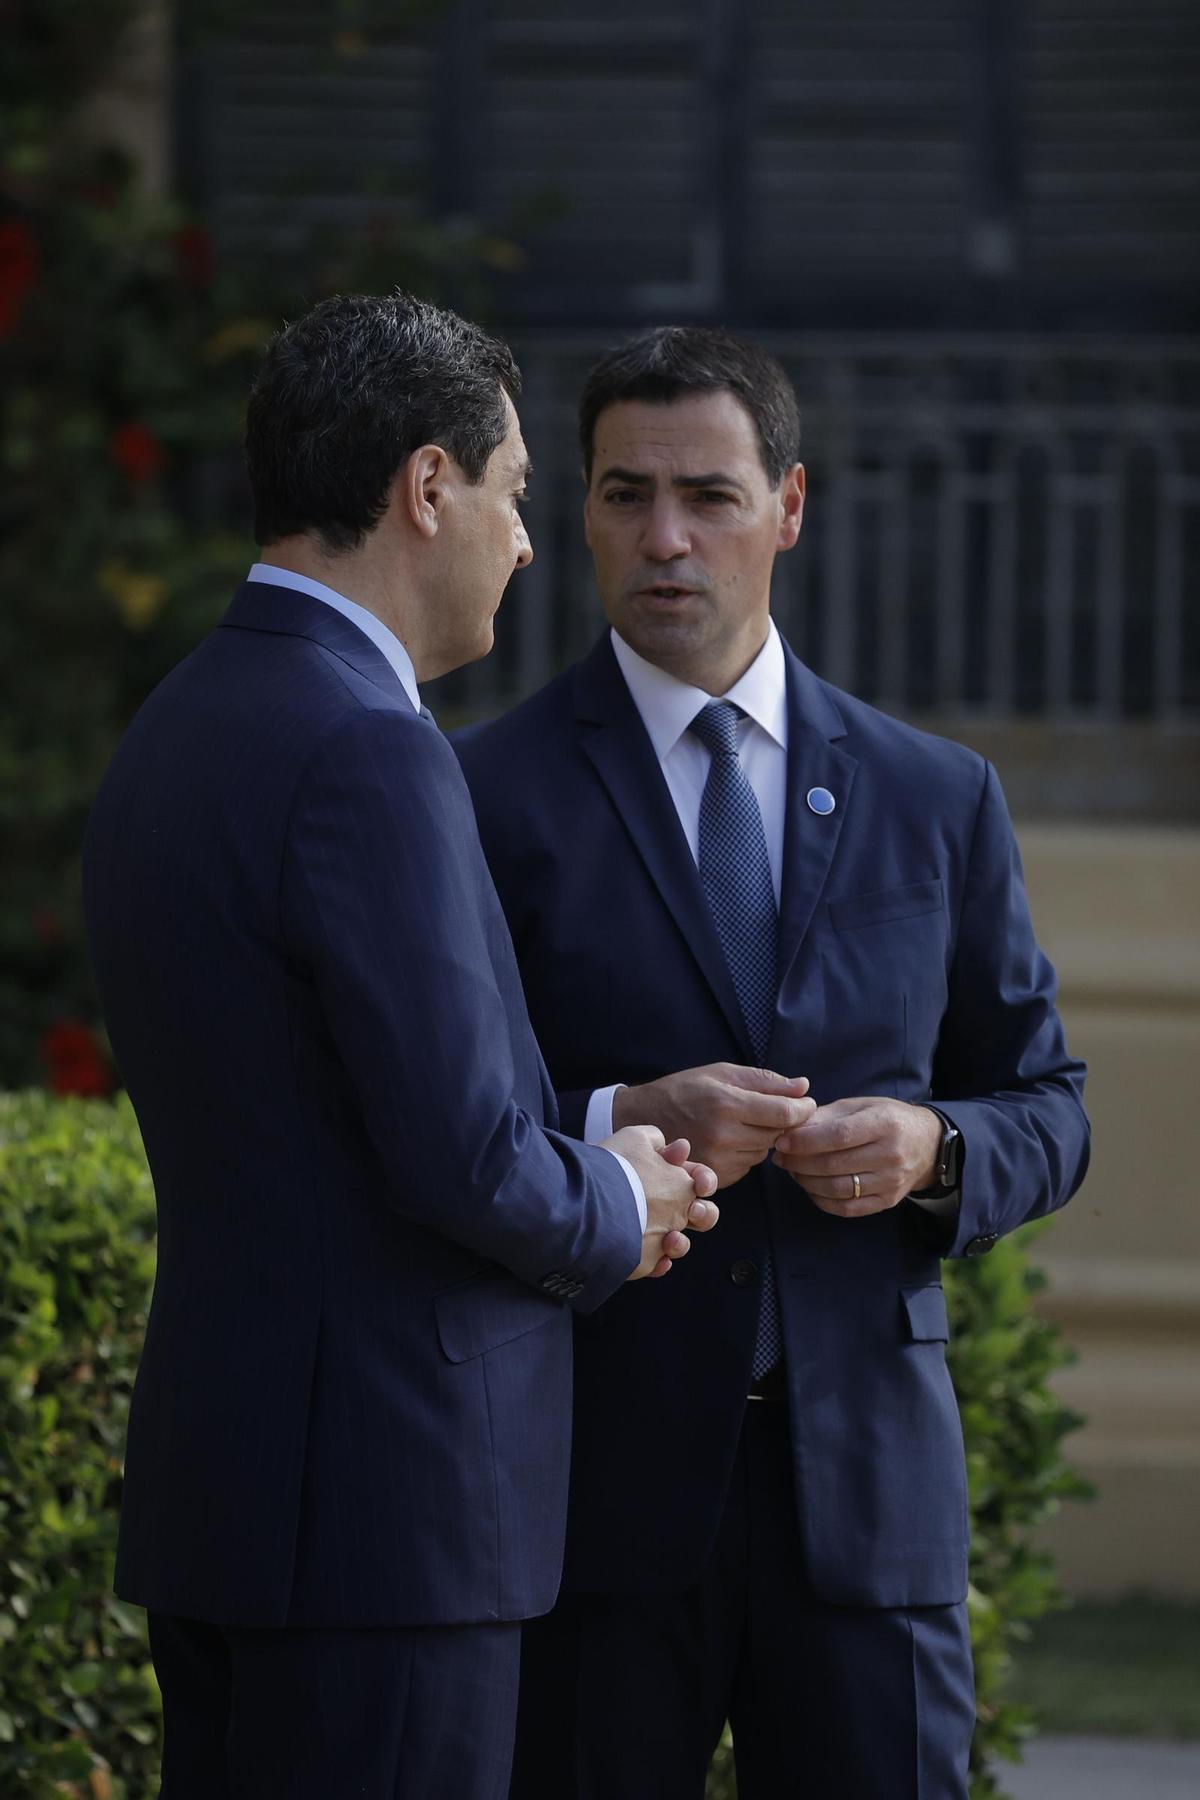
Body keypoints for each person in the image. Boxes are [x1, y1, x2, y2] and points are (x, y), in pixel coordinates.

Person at [82, 293, 720, 1800]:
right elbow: (459, 1155)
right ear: (428, 487)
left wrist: (607, 1115)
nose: (527, 542)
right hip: (389, 1522)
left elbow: (325, 1102)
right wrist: (624, 1199)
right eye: (515, 491)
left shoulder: (180, 720)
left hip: (235, 1502)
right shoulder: (371, 744)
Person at [453, 325, 1091, 1800]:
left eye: (710, 497)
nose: (665, 539)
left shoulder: (936, 797)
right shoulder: (480, 793)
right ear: (580, 511)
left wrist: (938, 1151)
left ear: (789, 507)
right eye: (626, 495)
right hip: (592, 1504)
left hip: (868, 1505)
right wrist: (610, 1121)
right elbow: (449, 1119)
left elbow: (1048, 1104)